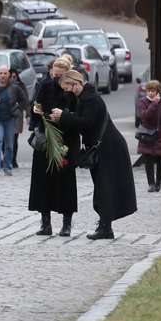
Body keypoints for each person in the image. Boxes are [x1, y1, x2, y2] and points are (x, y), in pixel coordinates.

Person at [50, 69, 136, 239]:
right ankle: (105, 224)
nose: (66, 92)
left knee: (105, 186)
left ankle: (106, 227)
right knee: (101, 186)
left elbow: (86, 123)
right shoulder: (85, 98)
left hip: (109, 147)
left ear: (75, 85)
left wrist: (64, 116)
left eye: (67, 88)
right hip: (103, 146)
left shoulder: (91, 100)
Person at [28, 54, 78, 236]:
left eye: (60, 76)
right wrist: (35, 111)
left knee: (65, 183)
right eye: (54, 75)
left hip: (65, 140)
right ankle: (45, 222)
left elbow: (76, 117)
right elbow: (35, 108)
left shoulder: (71, 92)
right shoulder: (44, 86)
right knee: (43, 181)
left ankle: (66, 223)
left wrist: (63, 117)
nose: (56, 78)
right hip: (45, 139)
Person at [0, 64, 28, 176]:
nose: (3, 75)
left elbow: (24, 100)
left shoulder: (14, 87)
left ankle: (7, 167)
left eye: (5, 73)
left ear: (8, 75)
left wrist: (20, 111)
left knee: (9, 144)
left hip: (10, 118)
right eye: (1, 73)